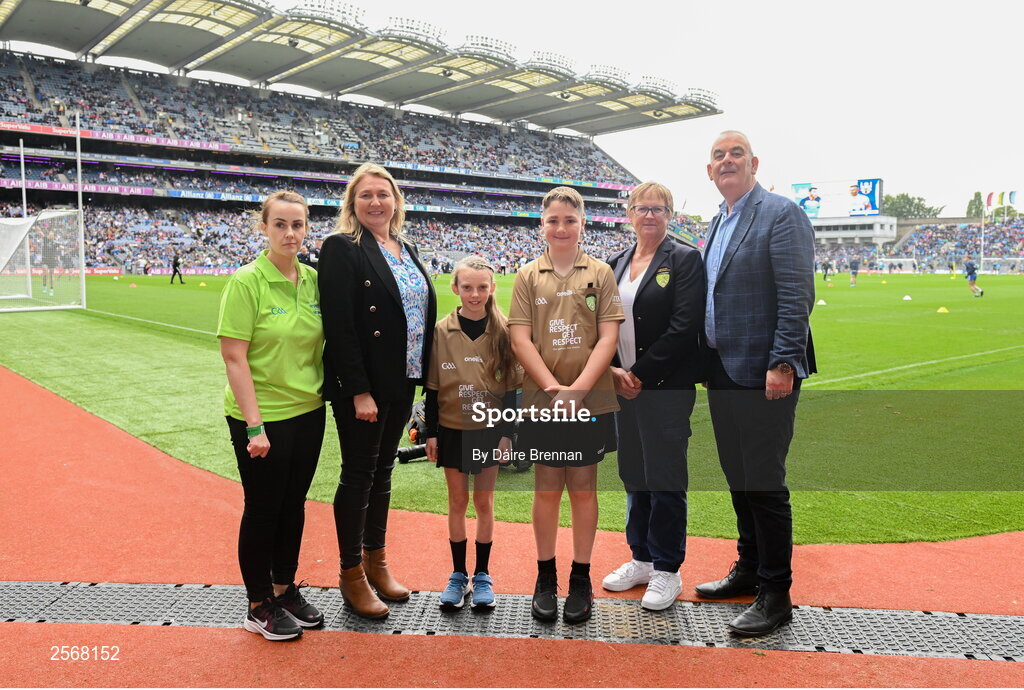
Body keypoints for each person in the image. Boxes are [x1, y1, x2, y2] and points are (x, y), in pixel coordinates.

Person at [695, 131, 816, 637]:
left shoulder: (781, 213)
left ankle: (776, 591)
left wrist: (784, 362)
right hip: (723, 370)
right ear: (709, 171)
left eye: (735, 153)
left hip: (765, 370)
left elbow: (796, 293)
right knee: (738, 476)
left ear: (754, 163)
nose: (727, 161)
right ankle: (748, 568)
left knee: (764, 482)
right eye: (718, 156)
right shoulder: (717, 222)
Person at [318, 162, 437, 619]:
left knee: (383, 472)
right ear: (353, 202)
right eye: (365, 195)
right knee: (359, 474)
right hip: (365, 388)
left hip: (402, 380)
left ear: (396, 201)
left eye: (383, 194)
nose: (375, 202)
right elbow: (341, 327)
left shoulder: (404, 248)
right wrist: (357, 391)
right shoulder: (342, 248)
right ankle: (352, 573)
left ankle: (377, 561)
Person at [508, 186, 624, 624]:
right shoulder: (526, 275)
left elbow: (608, 337)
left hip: (589, 400)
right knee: (546, 487)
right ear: (543, 225)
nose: (561, 228)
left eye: (569, 221)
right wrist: (554, 388)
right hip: (543, 401)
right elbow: (521, 339)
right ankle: (544, 578)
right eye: (553, 220)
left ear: (582, 224)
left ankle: (580, 578)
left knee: (583, 487)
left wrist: (577, 391)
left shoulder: (600, 273)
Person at [217, 190, 326, 641]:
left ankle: (284, 589)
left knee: (293, 506)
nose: (290, 233)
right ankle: (258, 603)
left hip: (309, 410)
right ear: (263, 227)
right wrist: (255, 425)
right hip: (262, 416)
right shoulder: (247, 282)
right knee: (263, 509)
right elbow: (234, 358)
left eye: (298, 224)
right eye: (280, 224)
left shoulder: (314, 280)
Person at [602, 182, 704, 611]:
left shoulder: (684, 259)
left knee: (665, 477)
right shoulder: (615, 264)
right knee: (633, 473)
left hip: (664, 388)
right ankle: (641, 558)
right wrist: (611, 371)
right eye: (642, 208)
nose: (650, 215)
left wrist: (638, 374)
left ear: (670, 215)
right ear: (629, 213)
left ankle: (667, 569)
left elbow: (684, 327)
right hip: (622, 388)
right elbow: (599, 326)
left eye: (659, 209)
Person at [424, 255, 522, 610]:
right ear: (455, 288)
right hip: (451, 428)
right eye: (467, 287)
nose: (475, 294)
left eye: (482, 287)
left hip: (489, 429)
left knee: (483, 502)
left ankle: (482, 575)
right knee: (457, 501)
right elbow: (433, 388)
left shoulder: (505, 330)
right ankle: (457, 575)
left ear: (492, 288)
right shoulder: (441, 330)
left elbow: (512, 390)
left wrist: (507, 433)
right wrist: (431, 432)